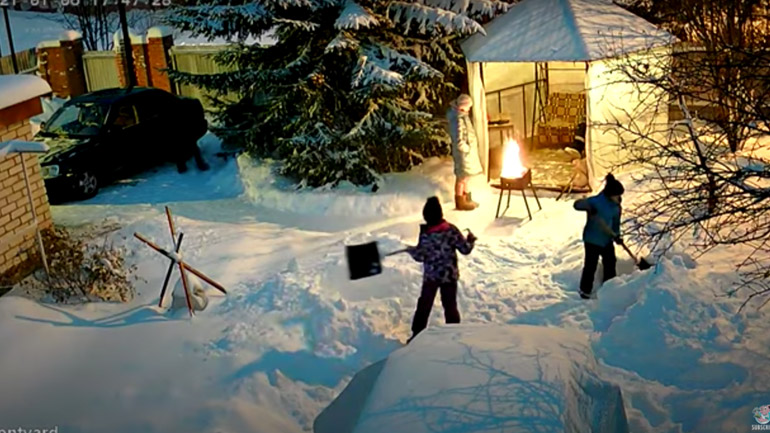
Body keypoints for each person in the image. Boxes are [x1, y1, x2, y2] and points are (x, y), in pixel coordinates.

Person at [406, 197, 476, 343]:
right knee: (450, 306)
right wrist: (470, 239)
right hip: (449, 276)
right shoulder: (451, 230)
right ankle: (454, 336)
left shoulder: (426, 233)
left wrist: (411, 251)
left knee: (424, 305)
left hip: (431, 277)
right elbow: (465, 249)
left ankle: (416, 335)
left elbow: (420, 255)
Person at [573, 174, 624, 299]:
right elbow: (577, 205)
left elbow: (616, 223)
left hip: (606, 240)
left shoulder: (616, 207)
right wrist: (589, 207)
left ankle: (610, 288)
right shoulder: (595, 201)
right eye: (617, 195)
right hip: (592, 239)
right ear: (610, 194)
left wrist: (617, 236)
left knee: (610, 263)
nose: (619, 197)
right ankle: (585, 291)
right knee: (590, 265)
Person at [447, 94, 484, 211]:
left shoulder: (463, 117)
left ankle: (467, 198)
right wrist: (466, 148)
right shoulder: (459, 120)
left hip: (467, 154)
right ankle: (460, 201)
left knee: (466, 176)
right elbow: (459, 139)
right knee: (461, 177)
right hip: (463, 154)